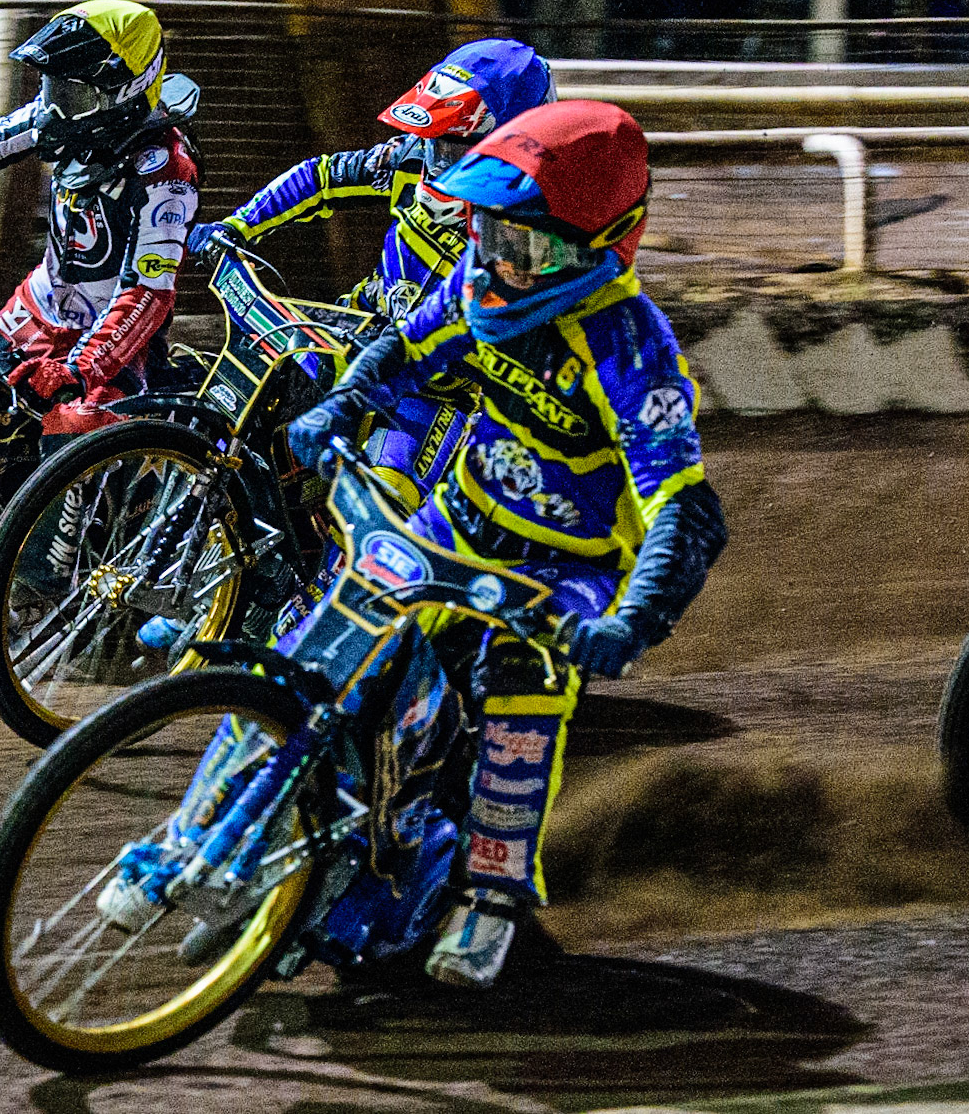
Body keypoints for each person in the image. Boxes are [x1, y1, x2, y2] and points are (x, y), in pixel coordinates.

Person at [283, 99, 727, 988]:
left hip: (569, 565)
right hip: (457, 519)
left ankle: (493, 892)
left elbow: (683, 503)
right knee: (328, 644)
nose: (499, 265)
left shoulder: (628, 344)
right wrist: (341, 403)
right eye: (489, 234)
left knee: (522, 680)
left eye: (528, 247)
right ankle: (303, 845)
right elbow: (402, 351)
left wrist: (632, 620)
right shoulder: (475, 280)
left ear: (604, 246)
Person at [185, 38, 555, 509]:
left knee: (378, 501)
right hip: (353, 331)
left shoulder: (532, 230)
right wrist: (236, 226)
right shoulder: (408, 158)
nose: (436, 160)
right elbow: (321, 177)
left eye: (453, 148)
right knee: (231, 423)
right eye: (435, 143)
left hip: (439, 389)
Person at [0, 0, 199, 443]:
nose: (54, 107)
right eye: (51, 86)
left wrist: (83, 368)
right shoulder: (64, 114)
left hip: (115, 336)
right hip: (38, 305)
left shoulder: (166, 173)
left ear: (125, 91)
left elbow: (149, 291)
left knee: (68, 433)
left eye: (71, 93)